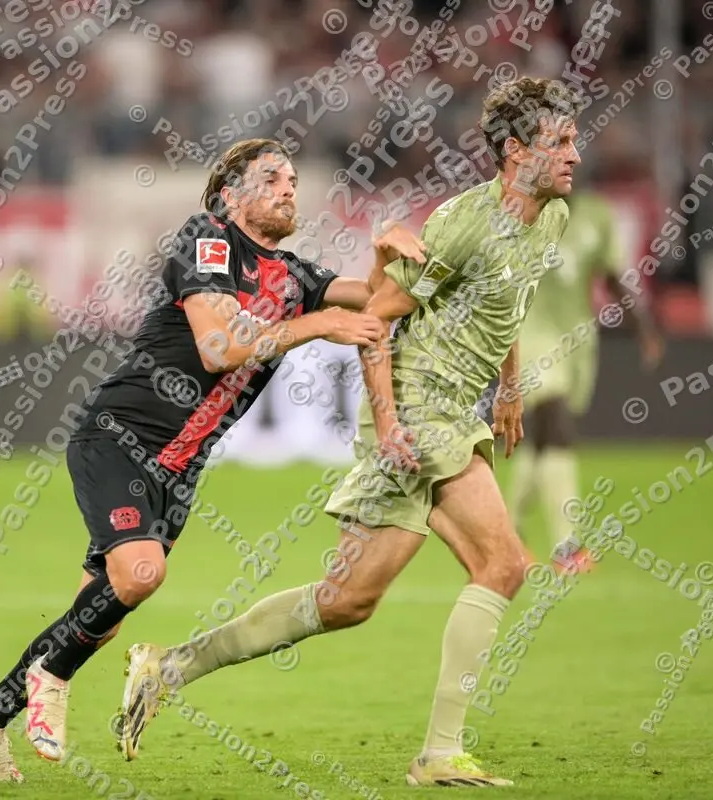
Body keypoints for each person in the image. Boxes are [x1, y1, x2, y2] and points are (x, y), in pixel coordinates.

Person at [118, 77, 584, 788]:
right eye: (560, 143)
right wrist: (390, 418)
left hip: (456, 406)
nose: (575, 154)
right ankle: (439, 754)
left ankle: (170, 665)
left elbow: (511, 297)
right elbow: (379, 317)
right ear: (516, 153)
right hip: (421, 403)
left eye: (574, 140)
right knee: (506, 564)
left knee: (346, 602)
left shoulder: (548, 217)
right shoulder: (462, 224)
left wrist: (510, 388)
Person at [0, 138, 406, 783]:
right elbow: (219, 347)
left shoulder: (300, 277)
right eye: (271, 177)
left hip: (181, 469)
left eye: (294, 179)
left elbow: (378, 303)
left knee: (98, 617)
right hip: (121, 436)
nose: (287, 188)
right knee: (140, 574)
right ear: (230, 194)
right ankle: (48, 679)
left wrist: (388, 253)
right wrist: (316, 326)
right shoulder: (210, 239)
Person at [504, 187, 663, 573]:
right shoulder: (518, 215)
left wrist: (642, 328)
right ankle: (566, 545)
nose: (567, 163)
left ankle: (507, 534)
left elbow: (611, 277)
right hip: (531, 337)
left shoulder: (597, 215)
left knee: (542, 440)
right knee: (556, 426)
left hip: (577, 341)